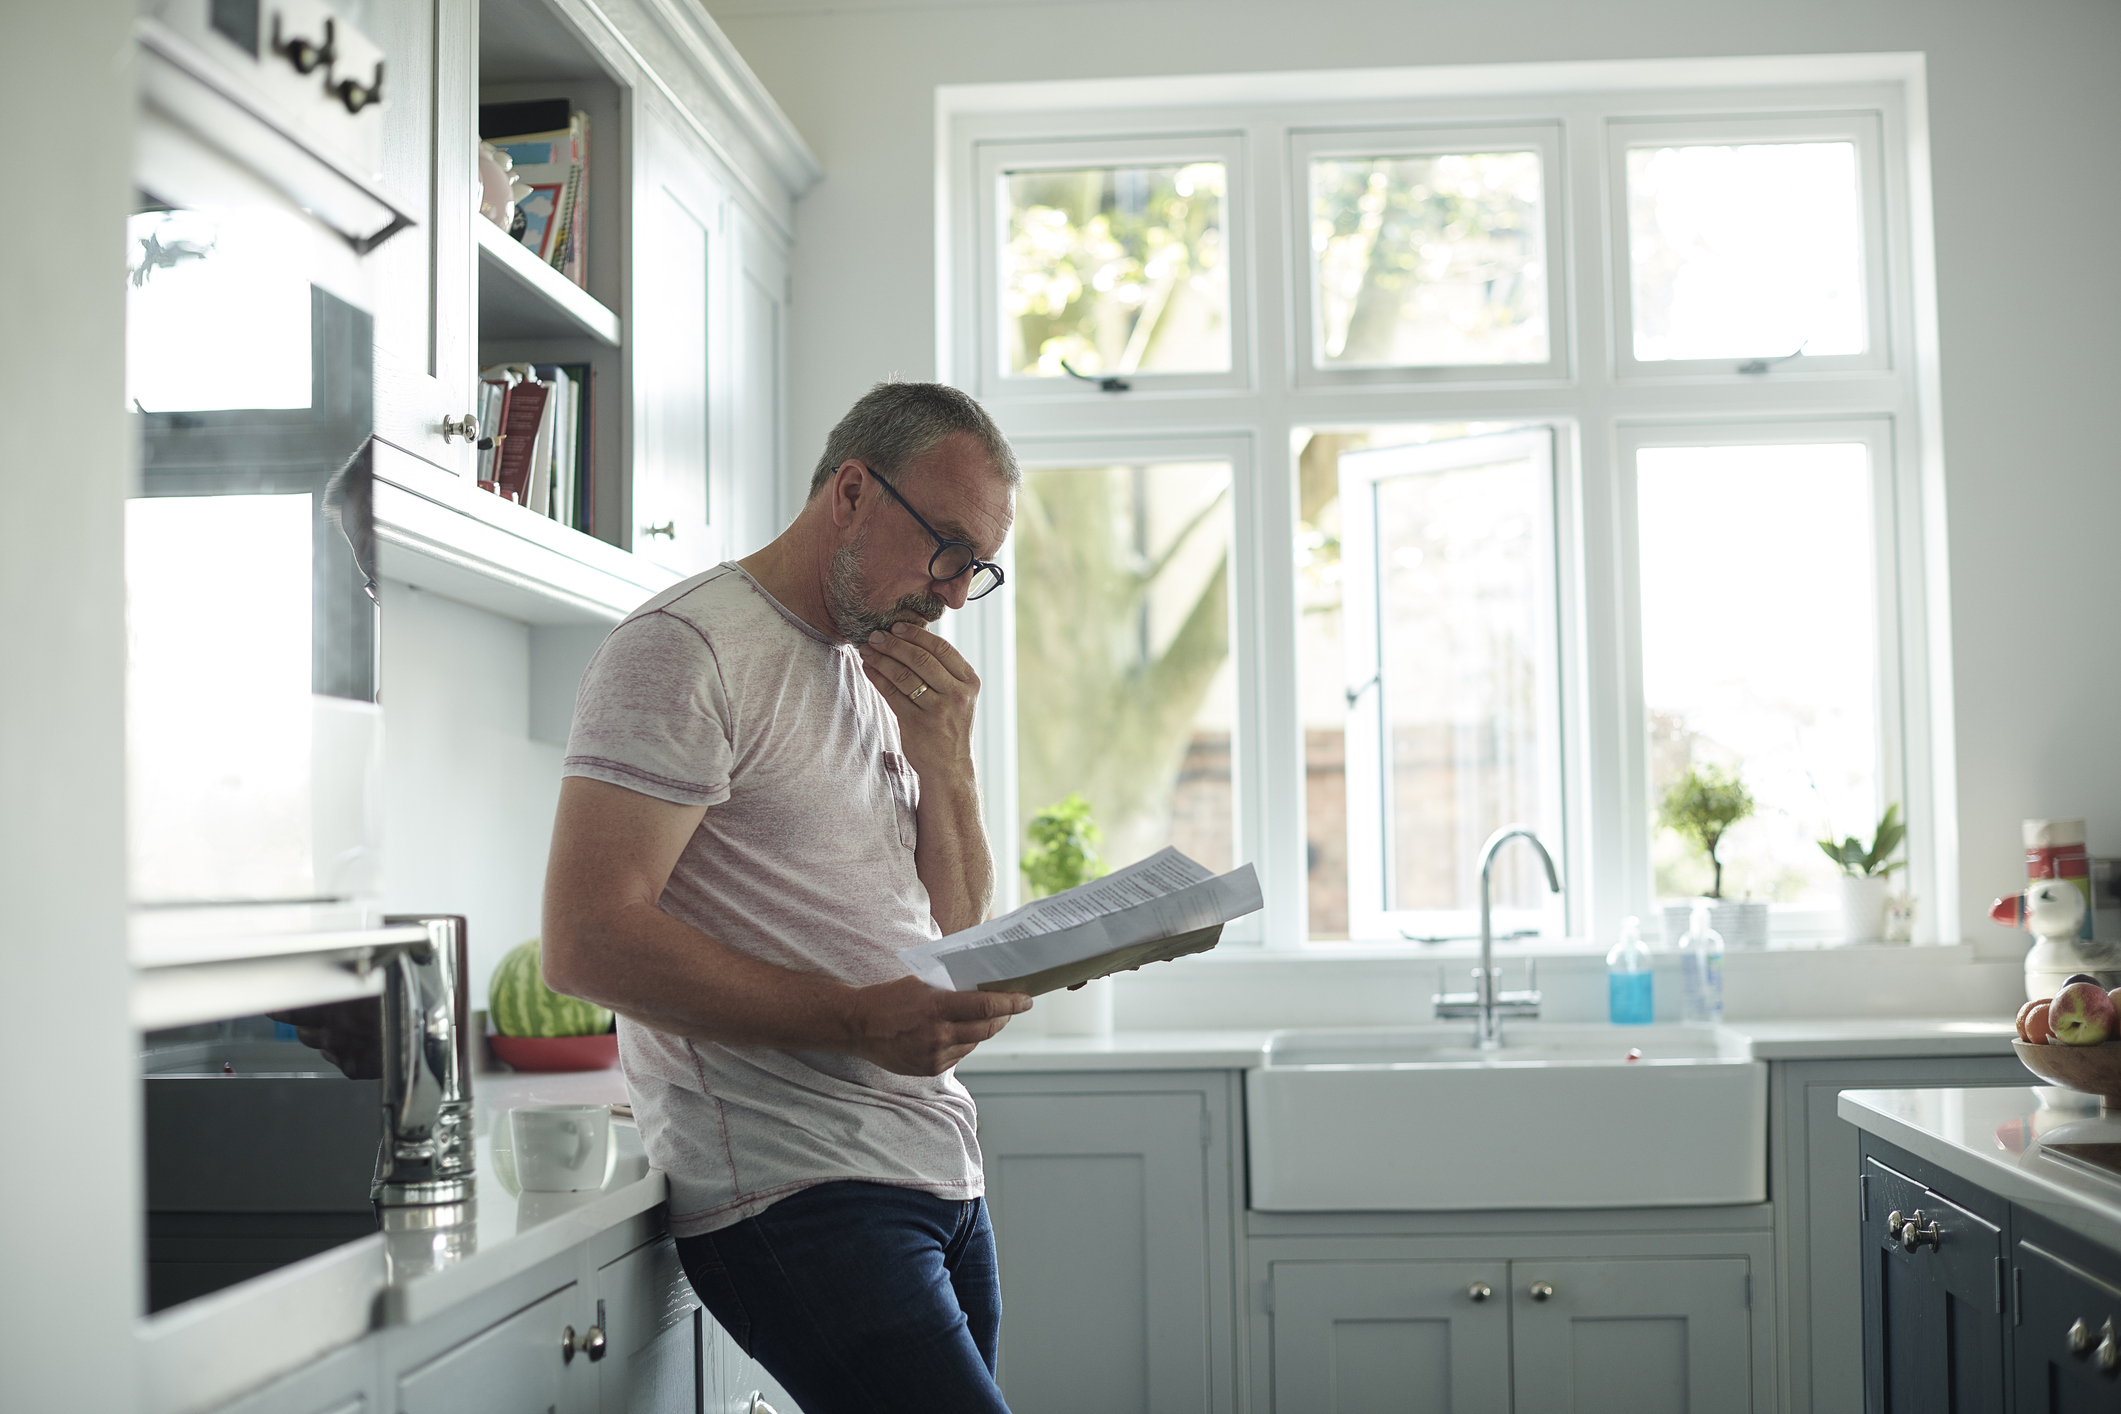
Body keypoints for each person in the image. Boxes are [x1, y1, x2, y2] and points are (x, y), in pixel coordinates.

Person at [541, 381, 1031, 1413]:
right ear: (852, 491)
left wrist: (948, 762)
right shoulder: (688, 648)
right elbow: (586, 942)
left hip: (937, 1165)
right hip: (795, 1187)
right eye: (945, 546)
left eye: (975, 568)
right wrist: (858, 1016)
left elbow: (956, 927)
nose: (951, 592)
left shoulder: (874, 666)